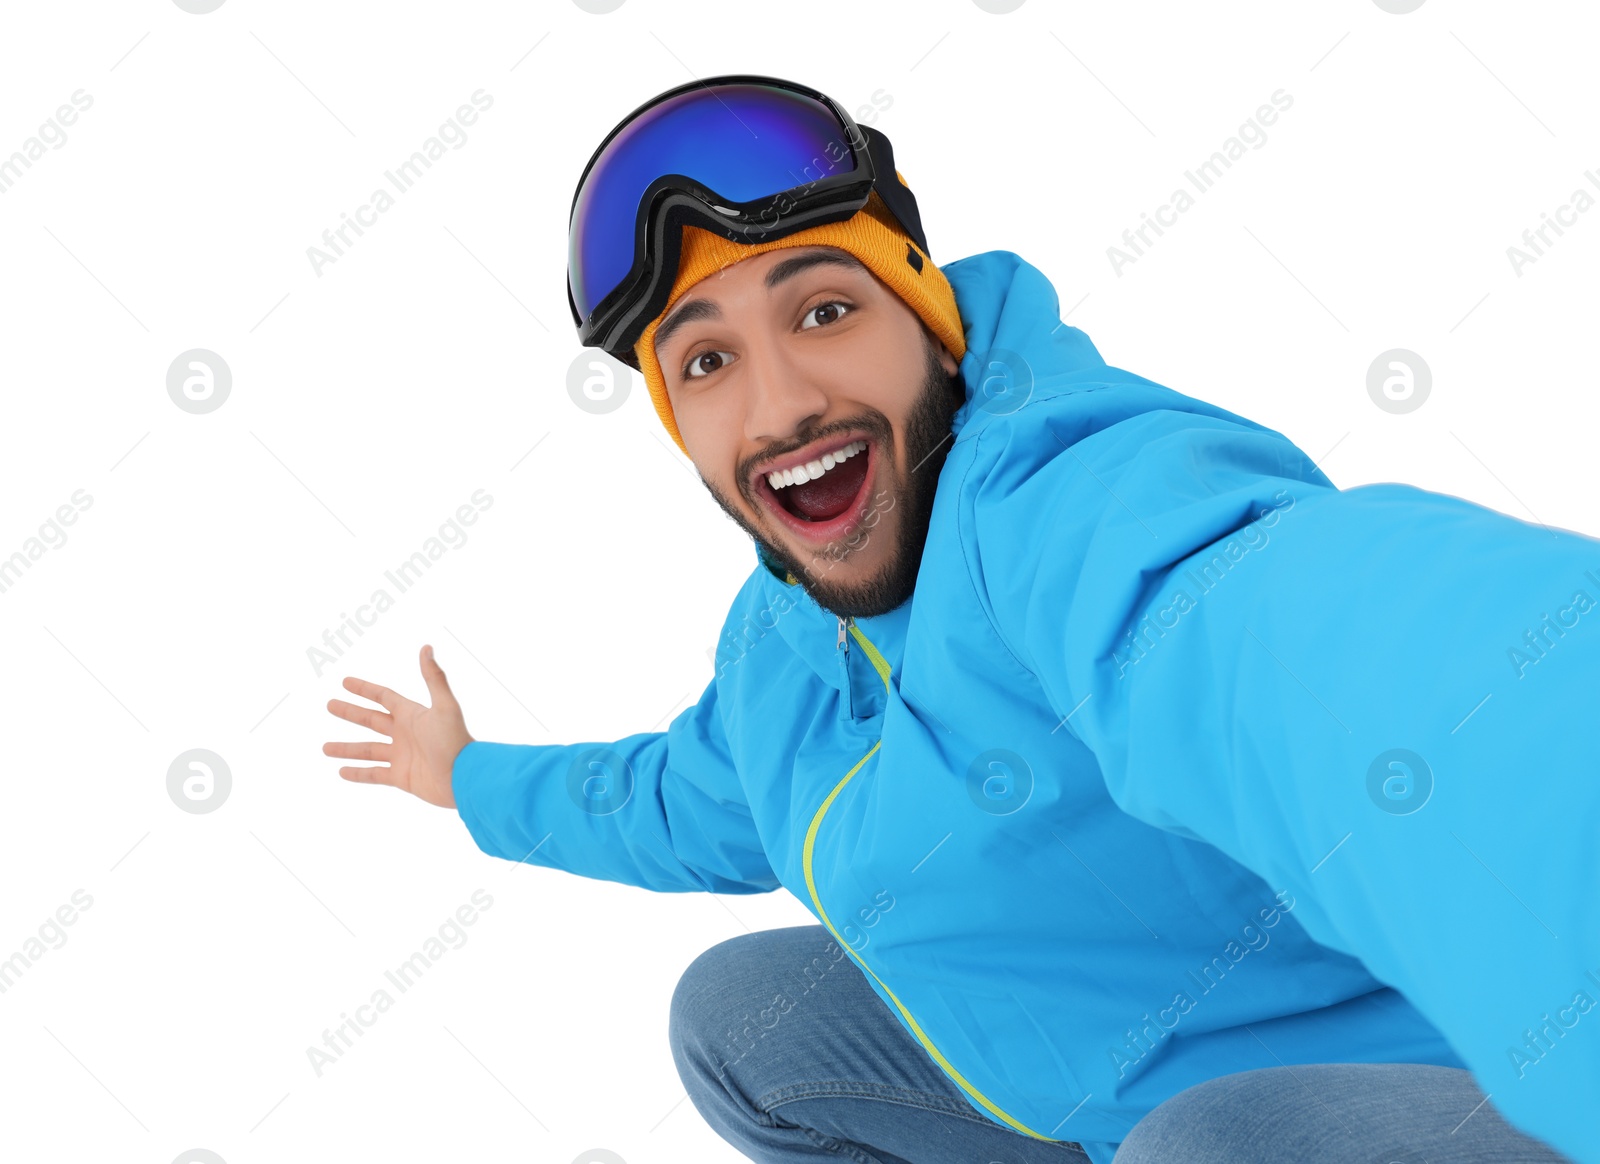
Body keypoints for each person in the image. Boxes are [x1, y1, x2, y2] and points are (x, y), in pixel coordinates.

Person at [324, 75, 1599, 1163]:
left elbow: (1326, 647)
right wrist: (470, 780)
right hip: (1093, 1102)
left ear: (927, 319)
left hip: (1424, 1091)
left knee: (1206, 1146)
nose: (777, 409)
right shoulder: (782, 647)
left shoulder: (1069, 503)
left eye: (823, 310)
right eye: (705, 361)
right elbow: (684, 799)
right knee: (738, 1018)